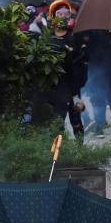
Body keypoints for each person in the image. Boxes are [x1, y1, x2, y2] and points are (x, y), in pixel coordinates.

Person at [47, 10, 87, 141]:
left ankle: (80, 149)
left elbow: (83, 58)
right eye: (59, 15)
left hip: (71, 83)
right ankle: (58, 152)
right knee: (57, 122)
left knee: (75, 119)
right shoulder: (48, 40)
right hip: (54, 86)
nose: (63, 17)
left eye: (66, 15)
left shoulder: (74, 37)